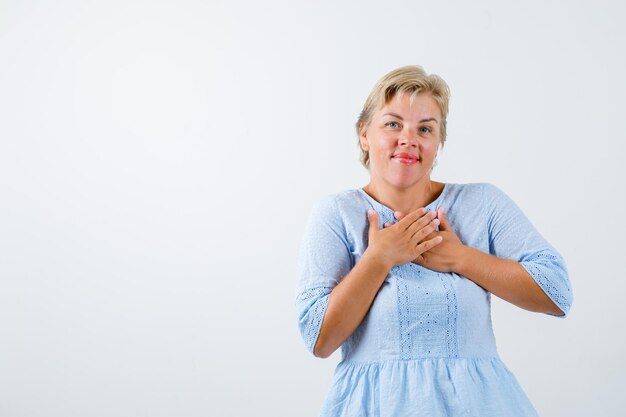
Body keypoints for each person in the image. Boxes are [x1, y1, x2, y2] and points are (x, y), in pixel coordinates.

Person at [295, 65, 573, 416]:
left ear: (438, 143)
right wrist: (378, 258)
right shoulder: (335, 214)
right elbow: (319, 339)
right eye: (393, 124)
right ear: (364, 134)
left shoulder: (482, 203)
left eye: (425, 128)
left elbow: (558, 293)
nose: (409, 139)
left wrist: (460, 259)